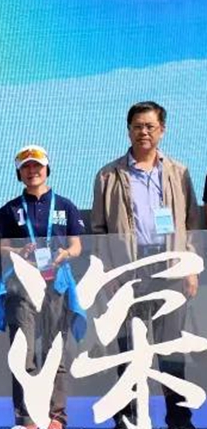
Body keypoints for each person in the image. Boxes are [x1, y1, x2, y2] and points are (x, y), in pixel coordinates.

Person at [91, 101, 199, 429]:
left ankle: (179, 419)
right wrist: (108, 273)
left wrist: (190, 267)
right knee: (129, 351)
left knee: (171, 352)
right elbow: (98, 229)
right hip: (129, 272)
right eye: (137, 126)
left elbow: (191, 223)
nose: (144, 132)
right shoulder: (109, 175)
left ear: (162, 130)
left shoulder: (178, 172)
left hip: (169, 270)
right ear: (129, 131)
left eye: (150, 126)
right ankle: (129, 419)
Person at [0, 145, 85, 429]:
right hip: (22, 288)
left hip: (57, 286)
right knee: (24, 353)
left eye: (37, 166)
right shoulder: (10, 209)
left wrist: (65, 254)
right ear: (19, 173)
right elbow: (1, 248)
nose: (32, 171)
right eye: (26, 167)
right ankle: (28, 417)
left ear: (47, 169)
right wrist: (18, 252)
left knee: (55, 354)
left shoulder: (65, 205)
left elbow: (76, 246)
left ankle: (56, 416)